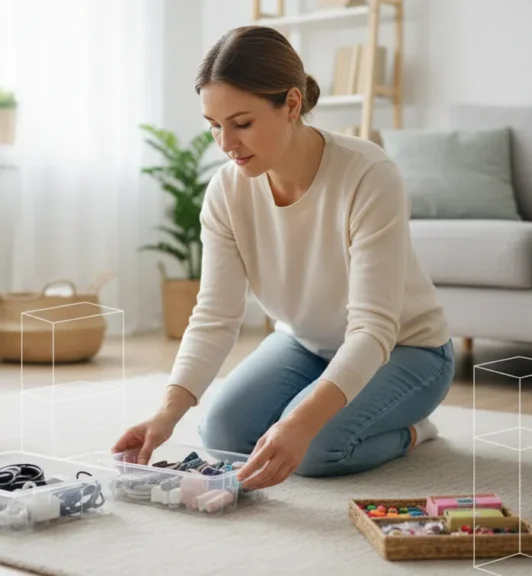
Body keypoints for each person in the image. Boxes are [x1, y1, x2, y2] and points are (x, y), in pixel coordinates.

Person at [112, 26, 454, 490]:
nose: (226, 143)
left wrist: (302, 423)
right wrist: (166, 413)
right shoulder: (227, 191)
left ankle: (413, 432)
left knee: (313, 447)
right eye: (214, 126)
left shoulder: (369, 175)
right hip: (306, 344)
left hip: (407, 351)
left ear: (292, 104)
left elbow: (373, 329)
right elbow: (215, 314)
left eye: (242, 122)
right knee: (222, 433)